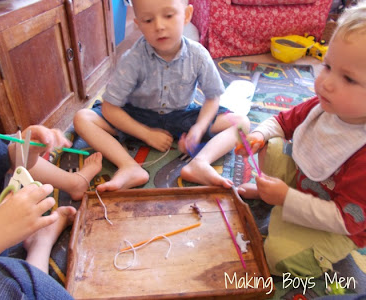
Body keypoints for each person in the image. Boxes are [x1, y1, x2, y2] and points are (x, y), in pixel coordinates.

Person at [236, 3, 366, 278]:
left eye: (348, 79)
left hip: (337, 224)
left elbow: (345, 220)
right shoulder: (323, 107)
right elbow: (281, 122)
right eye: (328, 65)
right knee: (271, 146)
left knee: (277, 258)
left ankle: (282, 210)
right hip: (304, 186)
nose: (326, 82)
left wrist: (286, 198)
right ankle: (271, 197)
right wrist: (258, 135)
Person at [73, 0, 249, 192]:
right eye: (148, 20)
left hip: (181, 116)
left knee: (241, 123)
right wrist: (146, 134)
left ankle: (200, 163)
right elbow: (110, 108)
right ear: (138, 25)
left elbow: (213, 97)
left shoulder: (198, 54)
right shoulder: (133, 59)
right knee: (82, 118)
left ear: (187, 15)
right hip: (136, 117)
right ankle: (128, 166)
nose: (159, 26)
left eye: (168, 16)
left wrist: (198, 129)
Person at [0, 126, 102, 299]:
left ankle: (73, 184)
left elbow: (6, 157)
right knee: (8, 283)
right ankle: (40, 245)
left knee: (6, 143)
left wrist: (26, 150)